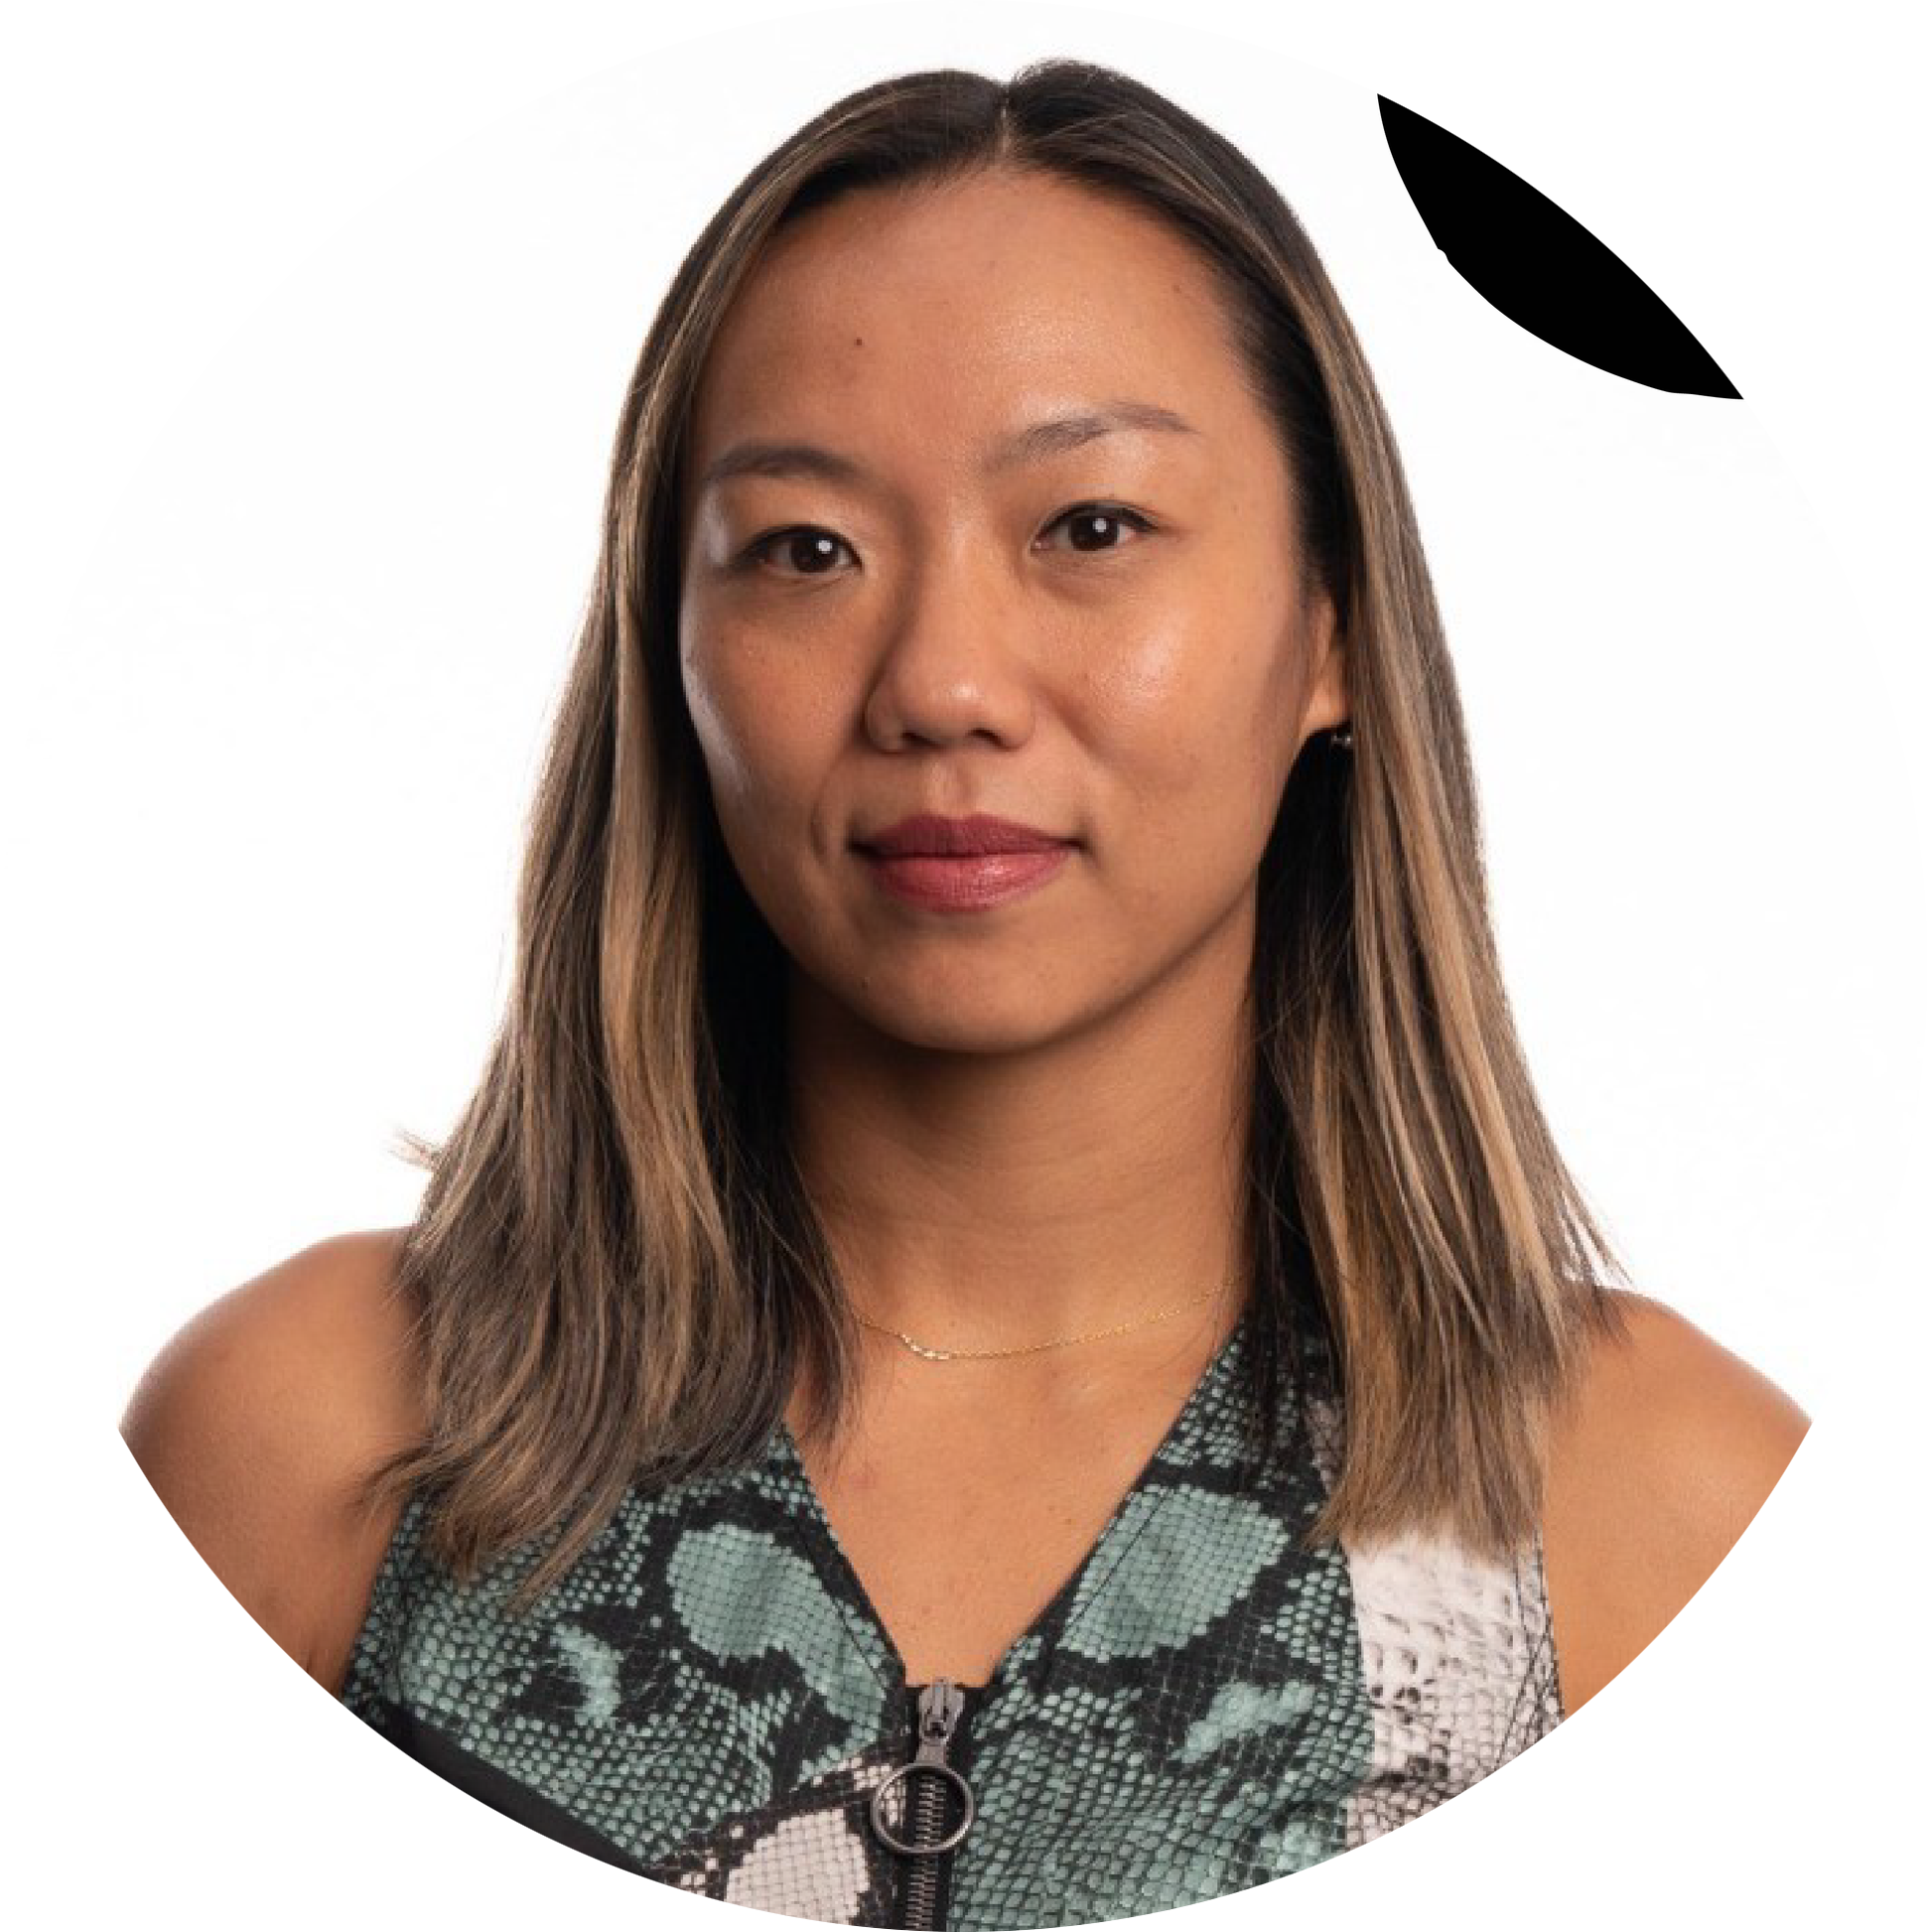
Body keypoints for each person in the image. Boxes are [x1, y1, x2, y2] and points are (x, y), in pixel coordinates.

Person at [121, 57, 1810, 1932]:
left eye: (1090, 528)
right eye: (807, 550)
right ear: (670, 644)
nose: (940, 680)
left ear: (1332, 620)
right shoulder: (313, 1450)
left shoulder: (1693, 1534)